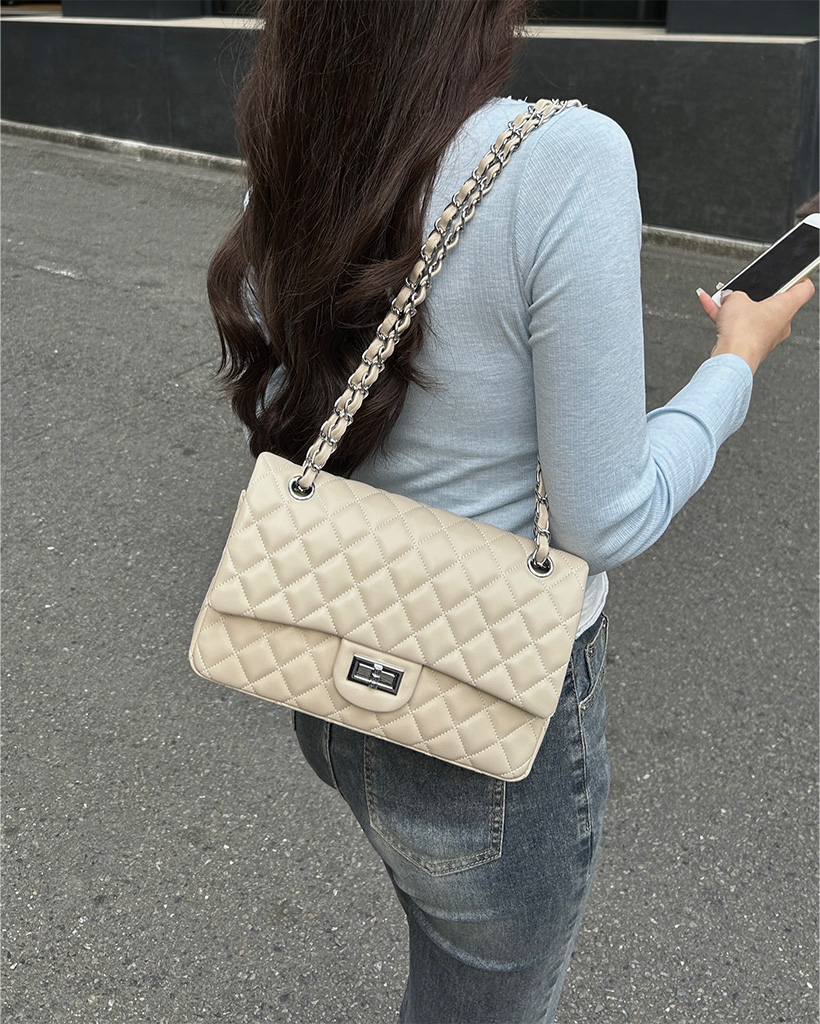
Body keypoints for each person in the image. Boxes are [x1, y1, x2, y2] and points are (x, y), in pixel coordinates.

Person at [205, 2, 815, 1021]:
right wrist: (735, 362)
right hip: (485, 714)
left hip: (324, 658)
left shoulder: (301, 145)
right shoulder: (562, 156)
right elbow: (605, 519)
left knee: (444, 945)